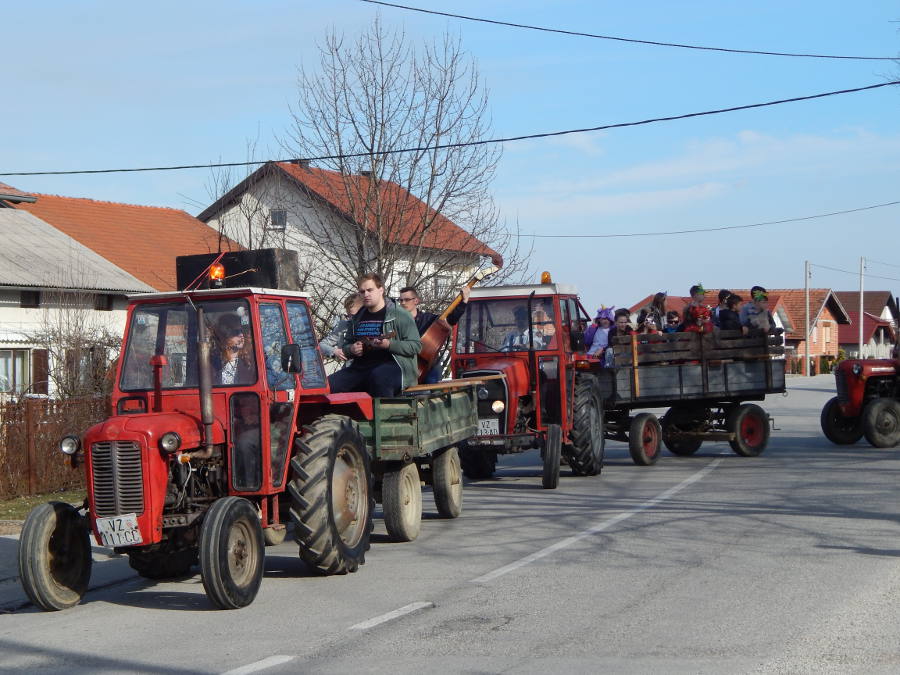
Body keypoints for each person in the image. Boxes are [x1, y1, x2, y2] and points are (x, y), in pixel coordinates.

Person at [327, 273, 421, 397]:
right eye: (362, 291)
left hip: (394, 367)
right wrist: (351, 349)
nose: (366, 294)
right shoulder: (357, 318)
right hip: (360, 367)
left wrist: (389, 344)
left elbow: (415, 346)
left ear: (381, 290)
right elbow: (346, 345)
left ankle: (386, 414)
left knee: (379, 378)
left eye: (370, 290)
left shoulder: (400, 315)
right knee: (327, 385)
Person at [397, 284, 471, 383]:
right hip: (404, 367)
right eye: (400, 300)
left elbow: (450, 320)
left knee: (433, 388)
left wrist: (464, 301)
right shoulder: (396, 322)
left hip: (429, 368)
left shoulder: (428, 319)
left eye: (406, 300)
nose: (403, 303)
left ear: (416, 301)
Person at [320, 293, 363, 363]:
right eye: (348, 315)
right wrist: (335, 351)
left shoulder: (373, 324)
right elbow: (322, 345)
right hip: (350, 367)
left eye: (352, 315)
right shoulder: (344, 325)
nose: (350, 318)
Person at [215, 314, 255, 385]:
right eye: (236, 332)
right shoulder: (211, 363)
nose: (241, 335)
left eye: (242, 331)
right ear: (224, 336)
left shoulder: (252, 362)